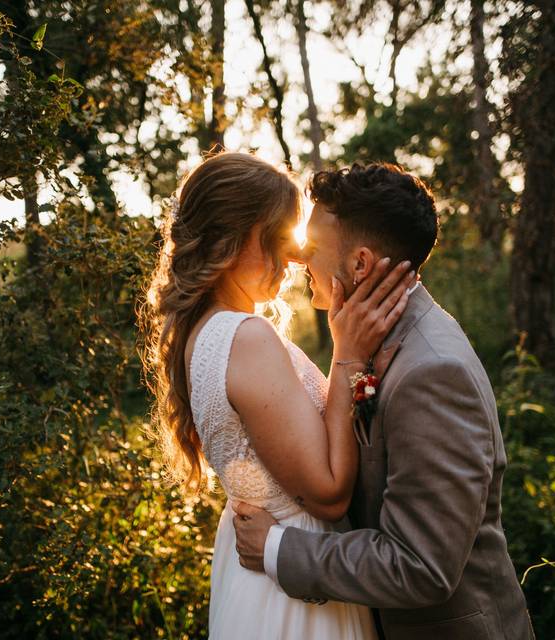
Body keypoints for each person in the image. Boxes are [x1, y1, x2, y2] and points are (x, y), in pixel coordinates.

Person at [232, 162, 535, 639]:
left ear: (360, 265)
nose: (298, 257)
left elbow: (421, 566)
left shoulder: (434, 371)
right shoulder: (371, 336)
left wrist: (277, 547)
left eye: (312, 247)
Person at [141, 152, 416, 639]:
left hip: (263, 570)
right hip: (295, 583)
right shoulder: (245, 337)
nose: (295, 257)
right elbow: (328, 493)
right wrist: (347, 353)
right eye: (279, 237)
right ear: (236, 237)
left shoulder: (204, 332)